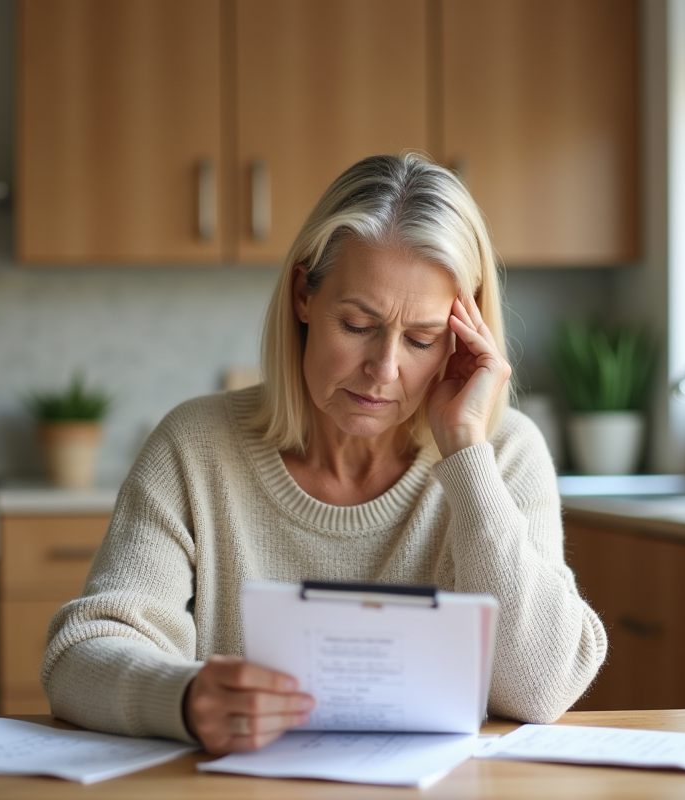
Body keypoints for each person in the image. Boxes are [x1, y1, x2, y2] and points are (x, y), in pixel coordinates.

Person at [41, 153, 607, 755]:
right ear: (303, 297)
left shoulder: (503, 452)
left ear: (462, 339)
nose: (383, 370)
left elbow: (542, 689)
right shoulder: (195, 446)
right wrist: (182, 696)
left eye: (421, 339)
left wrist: (466, 453)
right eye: (358, 325)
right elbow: (80, 657)